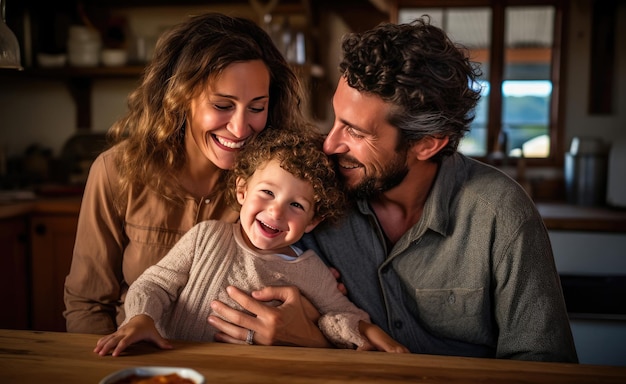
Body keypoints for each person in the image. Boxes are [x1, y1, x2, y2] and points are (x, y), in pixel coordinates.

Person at [206, 17, 579, 363]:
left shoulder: (500, 216)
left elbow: (546, 368)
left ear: (427, 144)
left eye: (356, 131)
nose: (330, 144)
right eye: (336, 120)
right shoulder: (312, 192)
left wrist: (313, 339)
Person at [63, 12, 308, 335]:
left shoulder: (284, 184)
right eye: (222, 105)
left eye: (257, 107)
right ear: (179, 99)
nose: (239, 128)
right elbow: (88, 304)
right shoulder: (116, 171)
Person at [93, 127, 409, 357]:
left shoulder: (310, 268)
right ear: (242, 191)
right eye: (267, 193)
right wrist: (140, 319)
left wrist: (365, 329)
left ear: (313, 221)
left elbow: (335, 314)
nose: (276, 211)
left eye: (296, 205)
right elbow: (155, 284)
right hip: (172, 364)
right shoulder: (206, 237)